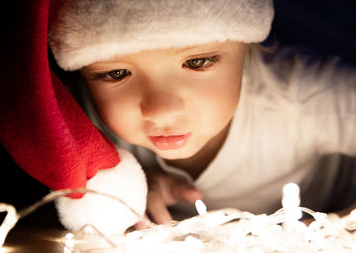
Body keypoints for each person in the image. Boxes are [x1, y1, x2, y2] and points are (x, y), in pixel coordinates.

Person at [49, 0, 356, 226]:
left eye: (196, 63)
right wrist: (135, 187)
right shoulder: (75, 115)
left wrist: (335, 226)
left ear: (248, 50)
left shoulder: (302, 94)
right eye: (116, 74)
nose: (161, 111)